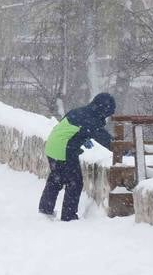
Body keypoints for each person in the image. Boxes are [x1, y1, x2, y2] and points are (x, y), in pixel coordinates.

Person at [39, 92, 116, 222]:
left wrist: (81, 137)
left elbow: (68, 127)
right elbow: (106, 140)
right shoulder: (91, 119)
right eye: (108, 112)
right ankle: (69, 216)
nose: (108, 116)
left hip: (53, 146)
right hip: (64, 150)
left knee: (56, 179)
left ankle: (45, 209)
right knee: (75, 182)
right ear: (103, 109)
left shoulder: (82, 112)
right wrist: (123, 149)